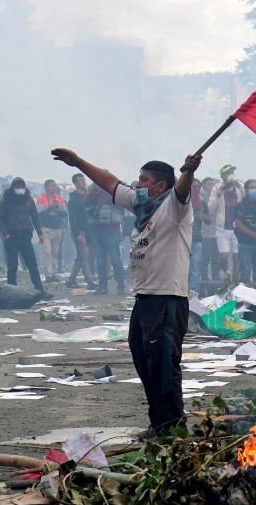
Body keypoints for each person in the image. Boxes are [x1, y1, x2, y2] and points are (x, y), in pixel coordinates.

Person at [52, 147, 201, 437]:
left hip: (167, 299)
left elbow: (182, 189)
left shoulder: (175, 206)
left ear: (160, 185)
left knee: (163, 364)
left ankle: (171, 426)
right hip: (144, 298)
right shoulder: (141, 205)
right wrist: (79, 162)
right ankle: (159, 421)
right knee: (143, 358)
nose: (138, 184)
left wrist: (189, 171)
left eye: (144, 180)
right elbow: (110, 182)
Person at [0, 177, 50, 296]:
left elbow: (35, 217)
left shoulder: (28, 199)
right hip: (11, 237)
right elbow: (0, 219)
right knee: (12, 265)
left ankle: (39, 289)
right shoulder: (6, 200)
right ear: (13, 187)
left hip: (25, 236)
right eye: (17, 187)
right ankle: (11, 291)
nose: (20, 189)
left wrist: (40, 233)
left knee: (32, 265)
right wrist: (6, 234)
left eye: (22, 186)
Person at [85, 183, 126, 295]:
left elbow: (122, 207)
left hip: (112, 229)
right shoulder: (94, 192)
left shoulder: (114, 193)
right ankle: (102, 286)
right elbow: (85, 203)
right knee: (100, 260)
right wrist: (94, 190)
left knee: (115, 259)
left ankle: (121, 284)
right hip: (97, 229)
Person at [208, 164, 241, 282]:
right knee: (224, 255)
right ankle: (226, 272)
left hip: (237, 228)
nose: (230, 175)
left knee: (237, 257)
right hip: (223, 229)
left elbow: (245, 201)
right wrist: (219, 193)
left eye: (232, 172)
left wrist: (240, 187)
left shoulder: (238, 187)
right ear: (222, 176)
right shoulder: (216, 189)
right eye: (228, 173)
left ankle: (235, 281)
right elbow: (211, 208)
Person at [66, 173, 96, 289]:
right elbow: (72, 218)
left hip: (90, 229)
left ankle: (71, 280)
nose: (83, 182)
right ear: (75, 183)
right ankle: (90, 281)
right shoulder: (73, 199)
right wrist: (77, 233)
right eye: (80, 180)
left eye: (83, 179)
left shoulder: (88, 196)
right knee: (85, 256)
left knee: (81, 257)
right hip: (80, 231)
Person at [35, 179, 68, 282]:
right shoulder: (41, 199)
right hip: (45, 229)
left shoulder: (60, 198)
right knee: (47, 252)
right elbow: (39, 214)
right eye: (51, 186)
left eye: (54, 185)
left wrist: (57, 210)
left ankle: (53, 273)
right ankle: (48, 274)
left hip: (57, 228)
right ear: (46, 188)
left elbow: (65, 213)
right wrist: (50, 208)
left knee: (55, 252)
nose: (53, 188)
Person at [200, 177, 220, 282]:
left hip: (216, 232)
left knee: (216, 257)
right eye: (209, 184)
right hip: (205, 232)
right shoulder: (202, 198)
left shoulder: (218, 196)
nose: (211, 186)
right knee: (206, 257)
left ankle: (216, 277)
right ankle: (204, 277)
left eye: (213, 184)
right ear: (203, 186)